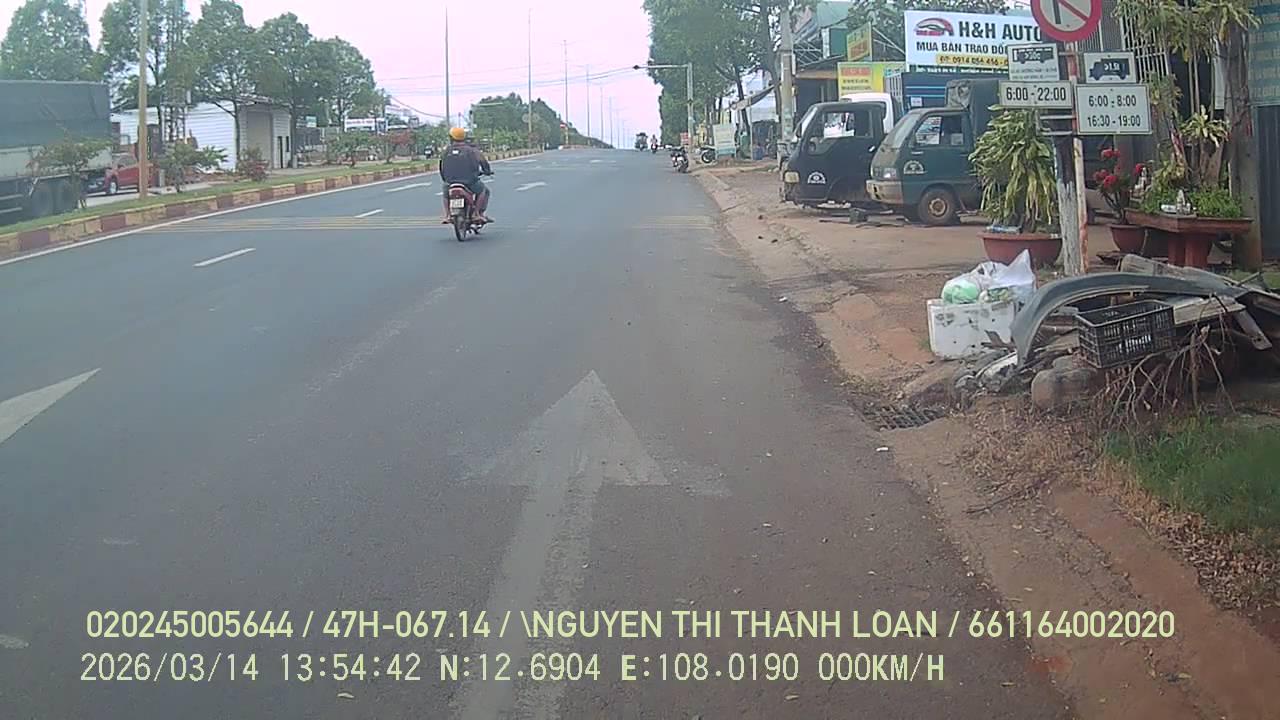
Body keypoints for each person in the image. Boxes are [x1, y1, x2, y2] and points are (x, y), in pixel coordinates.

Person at [439, 127, 492, 223]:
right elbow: (483, 162)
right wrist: (487, 171)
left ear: (451, 138)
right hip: (469, 182)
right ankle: (476, 213)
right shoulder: (472, 150)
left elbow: (441, 167)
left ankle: (447, 215)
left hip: (450, 182)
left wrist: (445, 179)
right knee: (483, 191)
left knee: (446, 194)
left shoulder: (446, 151)